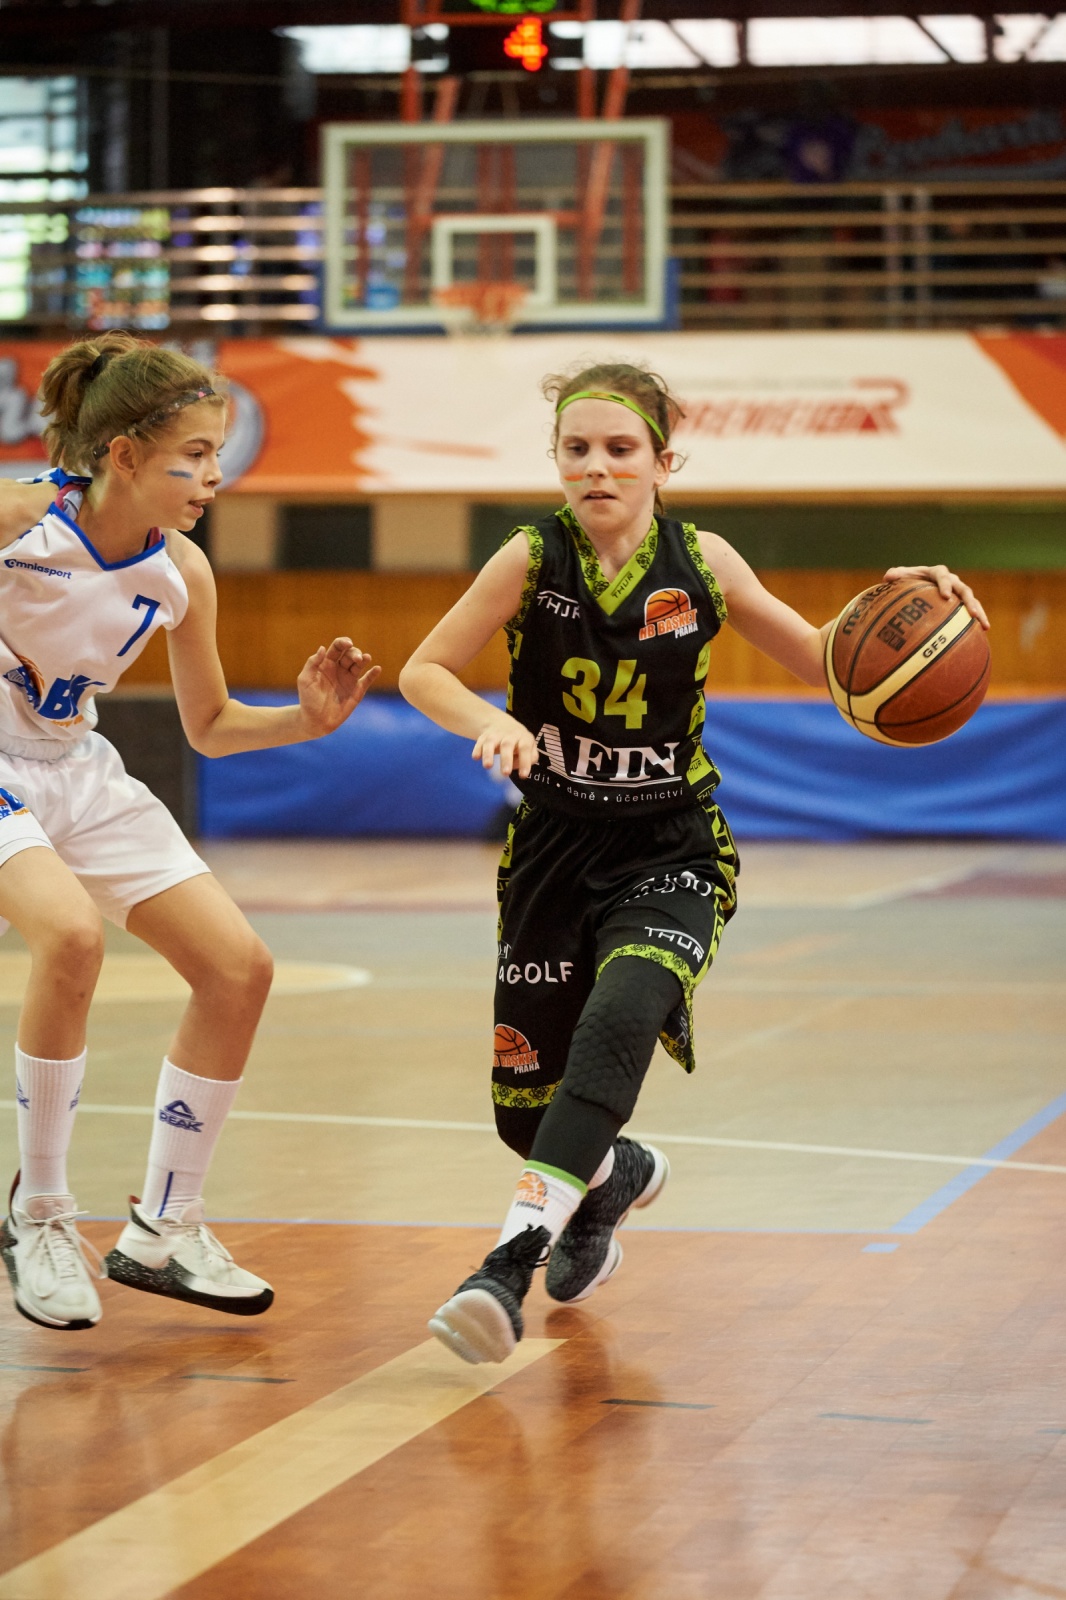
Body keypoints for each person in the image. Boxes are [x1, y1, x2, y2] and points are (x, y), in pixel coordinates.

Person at [399, 360, 989, 1366]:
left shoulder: (703, 563)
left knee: (621, 1017)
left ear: (662, 462)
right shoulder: (530, 558)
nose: (596, 466)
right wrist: (487, 720)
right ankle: (616, 1175)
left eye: (619, 449)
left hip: (670, 847)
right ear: (556, 460)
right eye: (576, 449)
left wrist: (902, 602)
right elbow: (424, 669)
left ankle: (504, 1266)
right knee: (525, 1118)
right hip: (551, 853)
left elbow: (826, 661)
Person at [0, 332, 379, 1332]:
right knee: (69, 937)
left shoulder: (182, 571)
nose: (214, 475)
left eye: (216, 453)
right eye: (195, 455)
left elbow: (207, 726)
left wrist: (307, 720)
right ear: (123, 454)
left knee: (237, 969)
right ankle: (39, 1213)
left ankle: (164, 1228)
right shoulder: (19, 520)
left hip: (76, 767)